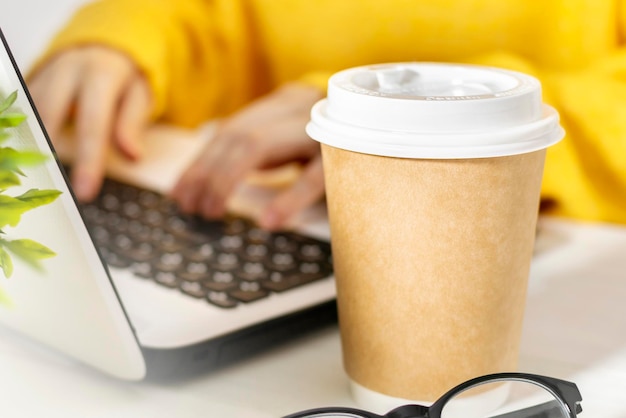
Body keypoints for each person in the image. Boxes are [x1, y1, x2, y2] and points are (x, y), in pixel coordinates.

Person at [27, 0, 626, 229]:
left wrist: (401, 121)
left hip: (558, 255)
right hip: (288, 213)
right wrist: (125, 36)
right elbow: (219, 14)